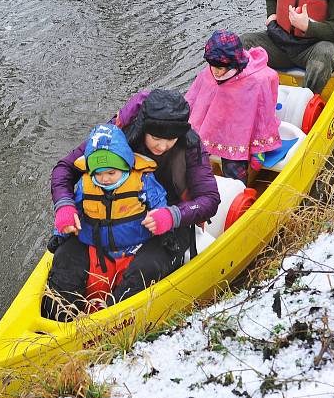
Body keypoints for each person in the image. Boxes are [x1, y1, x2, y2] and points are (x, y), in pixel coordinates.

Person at [44, 90, 221, 320]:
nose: (162, 145)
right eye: (156, 138)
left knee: (144, 270)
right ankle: (55, 323)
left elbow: (209, 199)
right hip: (108, 216)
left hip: (167, 223)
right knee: (65, 260)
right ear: (143, 127)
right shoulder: (116, 136)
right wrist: (65, 206)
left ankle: (110, 321)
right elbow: (64, 169)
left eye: (170, 139)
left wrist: (173, 215)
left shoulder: (191, 147)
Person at [41, 123, 169, 320]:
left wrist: (163, 224)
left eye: (111, 173)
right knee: (64, 260)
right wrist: (61, 234)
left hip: (133, 249)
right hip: (97, 252)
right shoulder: (86, 185)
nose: (105, 179)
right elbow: (74, 216)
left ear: (125, 164)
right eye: (99, 173)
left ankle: (114, 318)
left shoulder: (144, 181)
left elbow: (160, 204)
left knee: (142, 273)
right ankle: (59, 320)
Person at [185, 29, 281, 182]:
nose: (215, 71)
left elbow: (263, 115)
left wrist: (258, 147)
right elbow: (193, 99)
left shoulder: (256, 80)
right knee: (191, 155)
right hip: (212, 125)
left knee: (234, 167)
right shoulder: (209, 72)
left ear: (233, 63)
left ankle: (239, 194)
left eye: (220, 68)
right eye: (212, 65)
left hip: (239, 132)